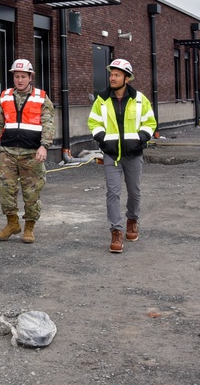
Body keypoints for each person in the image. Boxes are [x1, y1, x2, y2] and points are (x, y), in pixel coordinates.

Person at [87, 59, 157, 254]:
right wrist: (103, 140)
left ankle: (132, 220)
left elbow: (149, 123)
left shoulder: (141, 99)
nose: (112, 78)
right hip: (111, 155)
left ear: (126, 78)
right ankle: (116, 231)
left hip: (133, 155)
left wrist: (141, 139)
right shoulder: (102, 99)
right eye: (111, 74)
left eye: (117, 75)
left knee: (134, 192)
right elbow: (94, 123)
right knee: (113, 192)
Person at [0, 59, 56, 244]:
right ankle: (12, 224)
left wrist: (44, 146)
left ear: (30, 77)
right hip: (8, 153)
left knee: (31, 193)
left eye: (23, 76)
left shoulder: (41, 97)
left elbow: (48, 124)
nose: (19, 80)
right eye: (16, 76)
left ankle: (29, 227)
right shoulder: (5, 97)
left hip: (32, 154)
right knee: (4, 190)